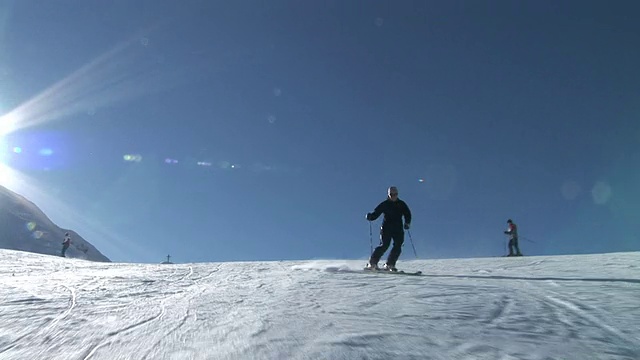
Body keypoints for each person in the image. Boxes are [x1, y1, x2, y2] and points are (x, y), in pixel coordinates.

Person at [365, 186, 412, 271]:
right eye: (391, 194)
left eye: (395, 194)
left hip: (398, 228)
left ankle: (390, 264)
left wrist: (407, 223)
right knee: (384, 245)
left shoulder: (401, 204)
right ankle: (372, 263)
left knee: (398, 245)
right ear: (389, 195)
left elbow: (407, 214)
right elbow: (376, 213)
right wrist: (371, 216)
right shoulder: (385, 204)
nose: (393, 196)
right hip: (387, 228)